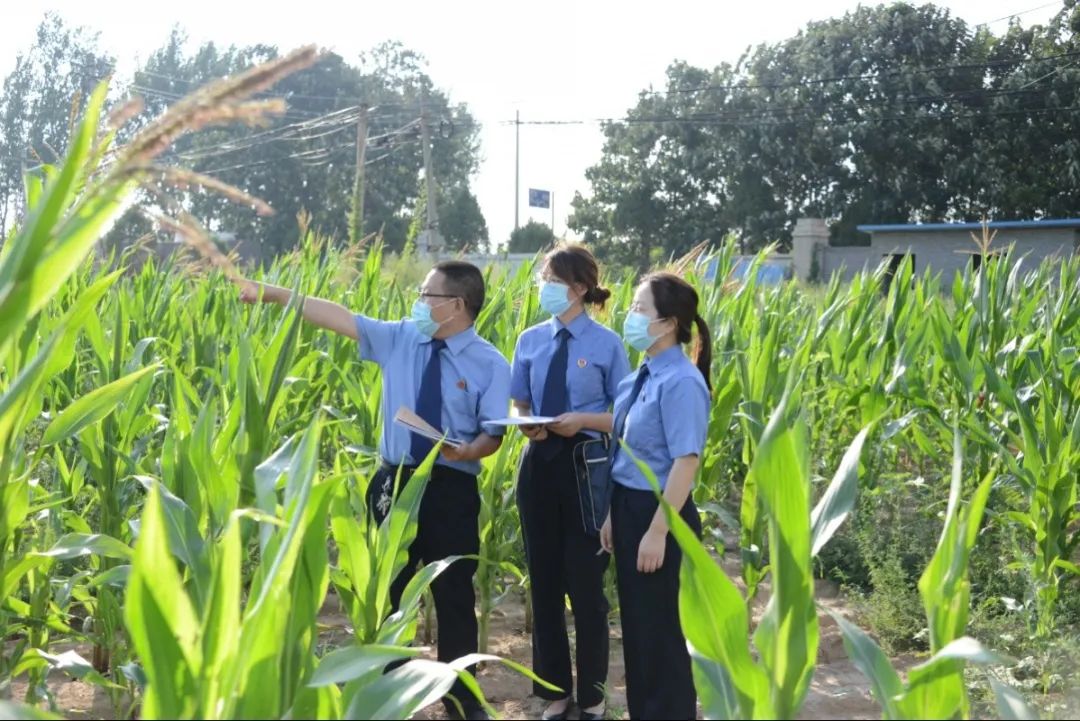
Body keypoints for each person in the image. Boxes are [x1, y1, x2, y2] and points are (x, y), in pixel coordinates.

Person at [238, 261, 510, 721]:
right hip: (395, 481)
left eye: (427, 295)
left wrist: (470, 452)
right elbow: (338, 315)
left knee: (455, 595)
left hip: (451, 487)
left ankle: (461, 699)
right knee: (389, 590)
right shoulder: (400, 338)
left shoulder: (490, 363)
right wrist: (274, 294)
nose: (418, 302)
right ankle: (390, 694)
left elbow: (494, 433)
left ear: (456, 305)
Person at [510, 245, 630, 721]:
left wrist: (579, 418)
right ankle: (555, 692)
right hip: (539, 464)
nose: (545, 285)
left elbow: (623, 417)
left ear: (579, 289)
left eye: (554, 279)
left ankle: (594, 698)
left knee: (586, 589)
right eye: (543, 276)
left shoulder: (608, 345)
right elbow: (520, 402)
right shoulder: (530, 339)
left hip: (587, 469)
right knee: (543, 585)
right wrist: (528, 424)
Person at [598, 271, 712, 720]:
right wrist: (613, 514)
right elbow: (627, 453)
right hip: (629, 508)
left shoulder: (681, 381)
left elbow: (686, 461)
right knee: (639, 629)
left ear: (667, 323)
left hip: (660, 513)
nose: (630, 316)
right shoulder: (641, 376)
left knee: (662, 632)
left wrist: (658, 530)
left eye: (639, 309)